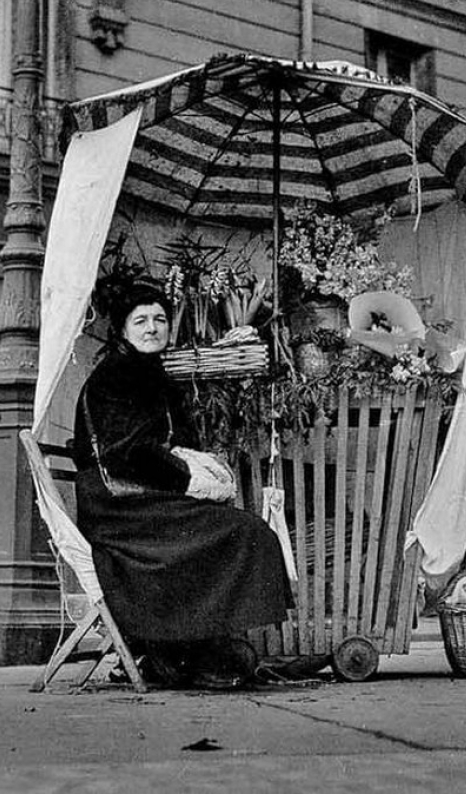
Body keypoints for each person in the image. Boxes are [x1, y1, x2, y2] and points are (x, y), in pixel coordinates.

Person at [72, 279, 293, 688]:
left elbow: (172, 441)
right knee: (243, 531)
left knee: (233, 526)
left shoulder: (149, 373)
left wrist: (196, 462)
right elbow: (129, 453)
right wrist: (189, 479)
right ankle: (183, 647)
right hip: (118, 507)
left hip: (140, 496)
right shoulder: (117, 376)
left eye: (159, 319)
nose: (152, 328)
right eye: (141, 321)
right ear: (122, 330)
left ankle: (189, 646)